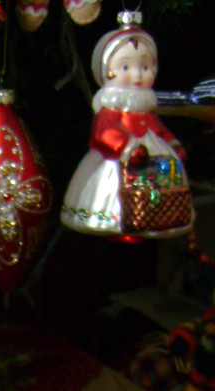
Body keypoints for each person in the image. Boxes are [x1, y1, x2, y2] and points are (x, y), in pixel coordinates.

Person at [60, 12, 192, 238]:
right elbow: (104, 134)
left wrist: (173, 144)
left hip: (151, 157)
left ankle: (158, 215)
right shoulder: (109, 110)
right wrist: (126, 147)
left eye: (145, 67)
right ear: (108, 72)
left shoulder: (146, 109)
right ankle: (116, 216)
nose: (137, 75)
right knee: (118, 184)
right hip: (120, 157)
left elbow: (159, 129)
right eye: (125, 68)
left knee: (163, 177)